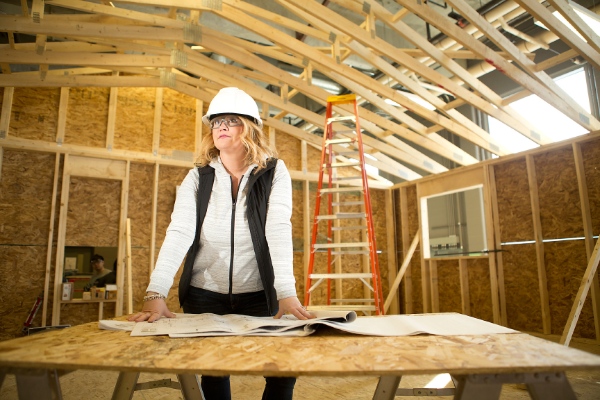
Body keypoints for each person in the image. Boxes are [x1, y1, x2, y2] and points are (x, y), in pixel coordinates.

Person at [128, 87, 313, 400]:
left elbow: (278, 227)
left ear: (250, 127)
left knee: (283, 367)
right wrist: (155, 292)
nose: (221, 126)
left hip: (261, 292)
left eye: (231, 120)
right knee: (214, 372)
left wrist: (286, 291)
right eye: (216, 122)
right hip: (204, 294)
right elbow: (179, 232)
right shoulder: (197, 178)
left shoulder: (273, 172)